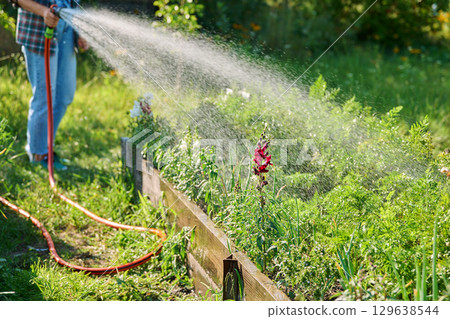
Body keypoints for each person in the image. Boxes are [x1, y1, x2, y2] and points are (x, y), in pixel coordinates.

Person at [8, 0, 88, 170]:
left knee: (64, 95)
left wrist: (81, 30)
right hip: (38, 29)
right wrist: (44, 11)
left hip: (66, 29)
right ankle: (38, 154)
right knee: (44, 96)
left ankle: (46, 148)